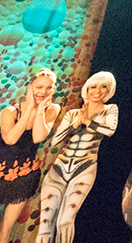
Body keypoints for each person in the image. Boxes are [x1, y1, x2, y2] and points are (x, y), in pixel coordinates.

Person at [0, 68, 60, 243]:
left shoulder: (52, 109)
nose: (43, 92)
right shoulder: (10, 112)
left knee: (4, 231)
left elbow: (38, 137)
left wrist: (39, 109)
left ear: (53, 89)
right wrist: (29, 108)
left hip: (25, 175)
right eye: (39, 87)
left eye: (49, 88)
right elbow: (10, 139)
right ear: (30, 88)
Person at [37, 71, 118, 243]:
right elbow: (55, 141)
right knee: (45, 224)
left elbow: (110, 130)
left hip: (84, 167)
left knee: (65, 221)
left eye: (103, 87)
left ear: (109, 90)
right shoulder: (73, 114)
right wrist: (75, 124)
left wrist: (88, 122)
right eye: (93, 86)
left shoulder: (110, 109)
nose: (97, 91)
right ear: (87, 89)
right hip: (60, 167)